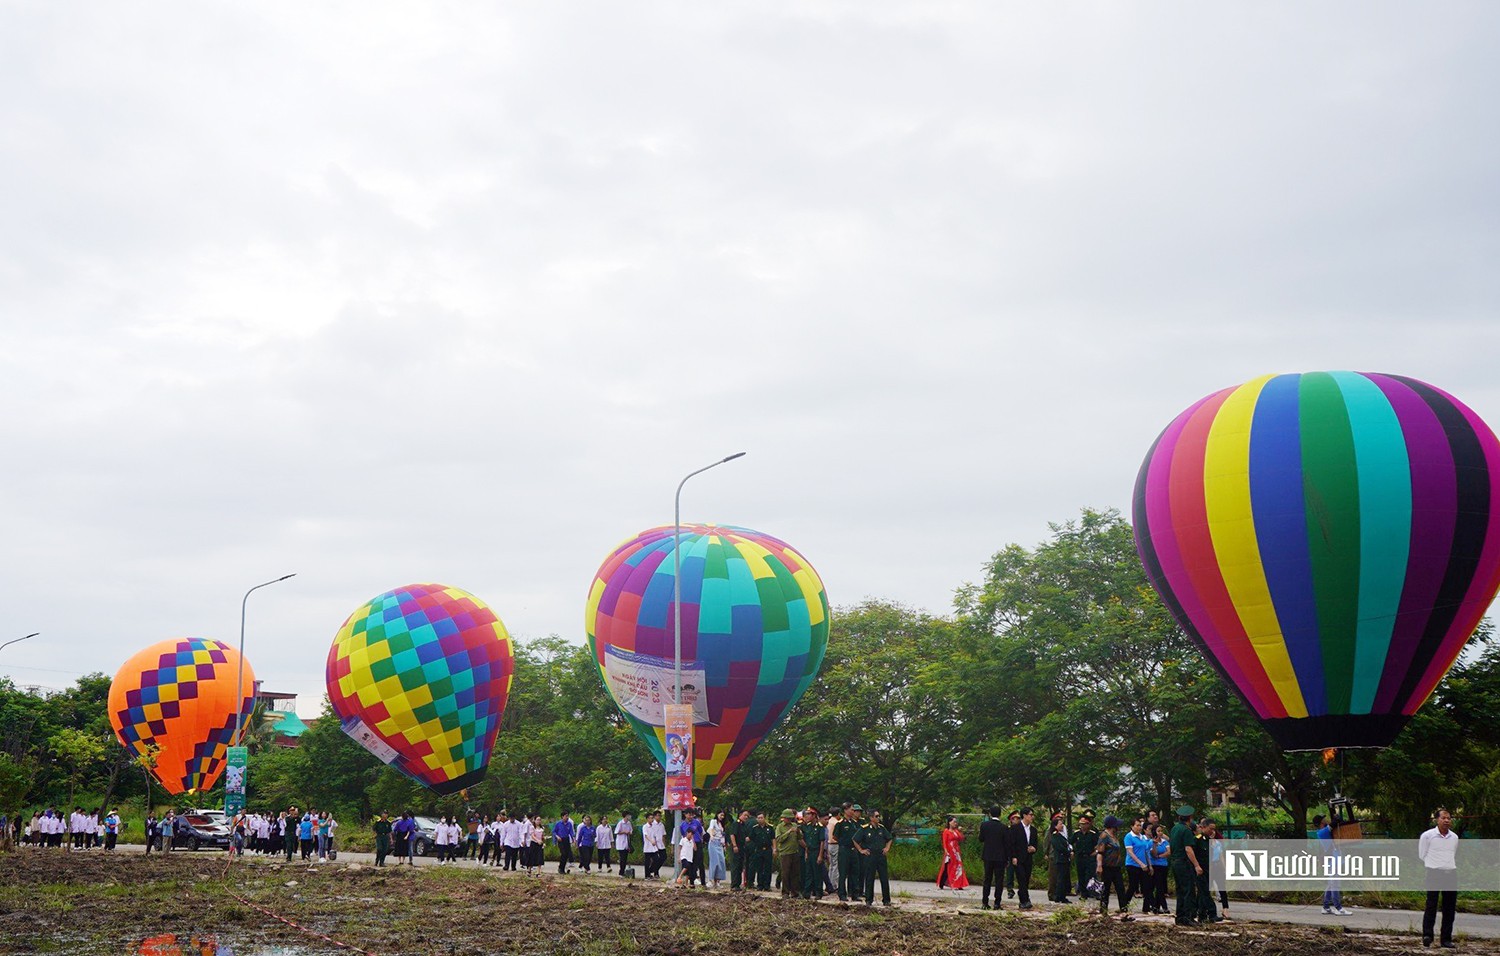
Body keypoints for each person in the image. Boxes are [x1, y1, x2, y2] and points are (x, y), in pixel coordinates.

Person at [1421, 808, 1459, 949]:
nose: (1447, 820)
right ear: (1437, 819)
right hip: (1434, 873)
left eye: (1449, 818)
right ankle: (1427, 935)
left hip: (1450, 873)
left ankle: (1446, 939)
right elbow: (1422, 854)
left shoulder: (1454, 837)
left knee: (1449, 907)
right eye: (1443, 818)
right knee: (1431, 904)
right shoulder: (1427, 836)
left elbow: (1453, 853)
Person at [1170, 806, 1200, 925]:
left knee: (1180, 890)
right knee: (1188, 890)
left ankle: (1180, 916)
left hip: (1175, 861)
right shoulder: (1186, 830)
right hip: (1183, 862)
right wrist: (1197, 865)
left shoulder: (1174, 828)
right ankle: (1188, 917)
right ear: (1190, 818)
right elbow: (1188, 849)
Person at [1314, 814, 1348, 916]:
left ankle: (1326, 907)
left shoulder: (1325, 832)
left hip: (1334, 860)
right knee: (1335, 884)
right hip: (1332, 861)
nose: (1326, 820)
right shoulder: (1322, 832)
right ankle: (1338, 908)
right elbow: (1333, 824)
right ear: (1321, 823)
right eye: (1324, 819)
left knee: (1331, 884)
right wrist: (1336, 818)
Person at [858, 810, 893, 907]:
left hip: (881, 855)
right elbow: (855, 839)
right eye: (876, 816)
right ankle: (869, 900)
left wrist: (887, 848)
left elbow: (889, 838)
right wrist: (861, 850)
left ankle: (886, 900)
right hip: (870, 856)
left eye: (879, 816)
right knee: (869, 878)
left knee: (884, 878)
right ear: (871, 818)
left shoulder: (881, 828)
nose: (878, 818)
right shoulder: (865, 829)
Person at [1095, 816, 1127, 915]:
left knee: (1120, 888)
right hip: (1107, 866)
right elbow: (1100, 852)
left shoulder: (1114, 836)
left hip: (1116, 867)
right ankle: (1103, 910)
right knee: (1106, 889)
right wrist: (1099, 866)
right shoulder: (1104, 836)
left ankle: (1124, 909)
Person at [1008, 807, 1039, 910]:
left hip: (1028, 858)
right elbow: (1011, 844)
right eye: (1030, 814)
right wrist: (1013, 856)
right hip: (1018, 858)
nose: (1032, 817)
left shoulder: (1033, 830)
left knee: (1026, 879)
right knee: (1021, 878)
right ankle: (1025, 900)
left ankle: (1022, 894)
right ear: (1024, 815)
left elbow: (1035, 844)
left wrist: (1033, 849)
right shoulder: (1015, 828)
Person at [979, 806, 1009, 910]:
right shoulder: (1004, 827)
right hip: (1000, 857)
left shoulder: (984, 825)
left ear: (990, 814)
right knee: (999, 881)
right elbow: (1006, 844)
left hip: (988, 856)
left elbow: (981, 839)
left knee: (987, 879)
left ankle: (984, 902)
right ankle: (997, 903)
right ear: (1000, 814)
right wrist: (1007, 857)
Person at [773, 809, 805, 898]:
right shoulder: (780, 827)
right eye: (787, 818)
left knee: (795, 873)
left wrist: (798, 832)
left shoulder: (794, 825)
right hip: (785, 853)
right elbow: (779, 839)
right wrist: (788, 832)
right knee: (785, 873)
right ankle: (785, 892)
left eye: (790, 818)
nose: (789, 820)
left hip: (795, 852)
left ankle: (795, 892)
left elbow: (800, 838)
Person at [834, 805, 864, 901]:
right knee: (843, 873)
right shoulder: (840, 823)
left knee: (855, 872)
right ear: (845, 810)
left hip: (853, 849)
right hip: (844, 849)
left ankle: (855, 894)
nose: (853, 811)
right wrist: (843, 842)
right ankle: (842, 894)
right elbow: (835, 836)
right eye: (851, 810)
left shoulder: (854, 823)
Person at [1193, 818, 1219, 923]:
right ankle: (1212, 913)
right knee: (1205, 892)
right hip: (1200, 869)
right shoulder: (1197, 839)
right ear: (1203, 827)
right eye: (1210, 829)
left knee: (1202, 893)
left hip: (1208, 869)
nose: (1212, 831)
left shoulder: (1209, 840)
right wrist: (1196, 866)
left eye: (1214, 829)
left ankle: (1202, 915)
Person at [1124, 817, 1152, 911]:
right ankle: (1124, 906)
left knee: (1147, 887)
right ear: (1132, 826)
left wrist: (1149, 865)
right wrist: (1140, 864)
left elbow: (1146, 851)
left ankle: (1146, 908)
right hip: (1132, 865)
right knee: (1132, 886)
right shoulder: (1129, 836)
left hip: (1144, 865)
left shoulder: (1142, 837)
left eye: (1140, 825)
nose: (1139, 827)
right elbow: (1130, 852)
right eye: (1137, 825)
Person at [937, 816, 969, 891]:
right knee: (948, 867)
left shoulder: (956, 831)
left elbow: (961, 838)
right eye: (954, 822)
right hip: (950, 851)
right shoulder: (946, 831)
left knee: (958, 867)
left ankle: (959, 884)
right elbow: (944, 843)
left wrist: (960, 831)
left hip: (956, 852)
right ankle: (942, 882)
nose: (955, 823)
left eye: (956, 822)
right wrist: (946, 852)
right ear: (949, 822)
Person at [799, 806, 825, 899]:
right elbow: (806, 841)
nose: (808, 816)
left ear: (814, 815)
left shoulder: (820, 827)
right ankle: (807, 892)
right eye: (807, 814)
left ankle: (818, 892)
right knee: (808, 873)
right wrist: (806, 852)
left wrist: (820, 855)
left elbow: (822, 842)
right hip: (809, 851)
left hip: (816, 851)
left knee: (817, 873)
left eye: (810, 814)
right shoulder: (808, 826)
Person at [1072, 813, 1098, 900]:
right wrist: (1072, 851)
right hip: (1080, 857)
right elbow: (1070, 843)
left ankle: (1092, 892)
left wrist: (1096, 852)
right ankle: (1083, 894)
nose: (1082, 826)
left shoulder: (1093, 834)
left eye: (1084, 824)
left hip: (1089, 857)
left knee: (1090, 875)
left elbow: (1098, 845)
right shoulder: (1076, 834)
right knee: (1081, 875)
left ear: (1088, 824)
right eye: (1081, 824)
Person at [1048, 816, 1073, 903]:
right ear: (1055, 826)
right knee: (1061, 878)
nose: (1062, 825)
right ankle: (1059, 896)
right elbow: (1059, 847)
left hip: (1065, 859)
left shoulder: (1060, 835)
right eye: (1060, 824)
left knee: (1064, 878)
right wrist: (1068, 852)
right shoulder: (1055, 835)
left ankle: (1062, 895)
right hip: (1061, 859)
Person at [1147, 824, 1171, 914]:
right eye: (1158, 831)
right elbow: (1153, 854)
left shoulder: (1165, 842)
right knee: (1158, 887)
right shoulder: (1150, 842)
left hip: (1163, 865)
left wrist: (1160, 856)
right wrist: (1154, 844)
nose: (1160, 833)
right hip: (1155, 866)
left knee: (1161, 886)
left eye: (1161, 831)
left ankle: (1156, 907)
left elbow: (1168, 852)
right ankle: (1164, 907)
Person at [749, 811, 775, 891]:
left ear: (764, 818)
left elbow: (773, 839)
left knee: (768, 868)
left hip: (767, 849)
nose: (760, 819)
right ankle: (760, 885)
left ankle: (767, 885)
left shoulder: (770, 828)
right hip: (759, 850)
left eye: (761, 818)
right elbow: (751, 838)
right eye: (758, 818)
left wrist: (774, 848)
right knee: (759, 868)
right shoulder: (755, 828)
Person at [730, 809, 754, 891]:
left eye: (747, 816)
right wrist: (734, 845)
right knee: (735, 866)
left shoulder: (743, 825)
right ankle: (734, 884)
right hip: (736, 847)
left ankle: (738, 884)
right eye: (745, 815)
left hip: (742, 847)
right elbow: (732, 835)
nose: (746, 817)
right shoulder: (736, 823)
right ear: (740, 815)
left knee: (740, 866)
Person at [642, 810, 666, 880]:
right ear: (647, 819)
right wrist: (651, 840)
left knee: (656, 859)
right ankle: (647, 875)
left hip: (654, 847)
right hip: (647, 847)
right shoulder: (645, 826)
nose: (651, 819)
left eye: (652, 818)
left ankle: (653, 871)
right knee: (647, 861)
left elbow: (656, 836)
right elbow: (646, 835)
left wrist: (657, 844)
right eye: (650, 818)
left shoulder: (653, 827)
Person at [707, 811, 729, 888]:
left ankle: (718, 881)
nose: (722, 817)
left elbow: (722, 836)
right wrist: (711, 836)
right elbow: (710, 829)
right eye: (721, 815)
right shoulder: (713, 821)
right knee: (714, 861)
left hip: (720, 844)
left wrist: (724, 845)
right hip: (713, 842)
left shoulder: (721, 825)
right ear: (717, 814)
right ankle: (711, 880)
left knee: (721, 861)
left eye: (723, 815)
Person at [614, 811, 634, 876]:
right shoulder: (620, 823)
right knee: (622, 858)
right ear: (625, 816)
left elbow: (631, 831)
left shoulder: (629, 823)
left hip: (626, 842)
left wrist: (629, 832)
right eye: (628, 815)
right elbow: (616, 832)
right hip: (620, 842)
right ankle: (621, 872)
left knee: (625, 858)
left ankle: (623, 871)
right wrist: (624, 832)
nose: (630, 817)